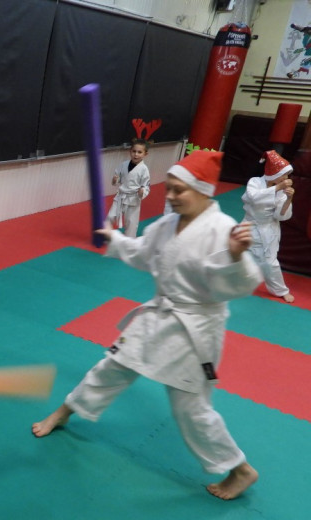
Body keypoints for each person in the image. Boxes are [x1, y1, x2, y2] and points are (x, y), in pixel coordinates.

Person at [32, 151, 264, 501]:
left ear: (203, 190)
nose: (170, 195)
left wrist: (234, 257)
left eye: (178, 190)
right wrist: (115, 240)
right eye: (168, 188)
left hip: (195, 329)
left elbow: (243, 285)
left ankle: (240, 469)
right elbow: (143, 251)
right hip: (159, 315)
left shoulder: (222, 229)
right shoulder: (168, 224)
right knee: (112, 366)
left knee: (190, 408)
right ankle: (64, 412)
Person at [241, 150, 295, 303]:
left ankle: (280, 290)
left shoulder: (282, 192)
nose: (286, 179)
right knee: (236, 254)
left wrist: (288, 199)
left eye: (287, 175)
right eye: (284, 175)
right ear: (274, 174)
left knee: (270, 262)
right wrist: (277, 188)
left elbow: (280, 216)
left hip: (268, 229)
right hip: (249, 225)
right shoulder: (255, 182)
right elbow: (252, 198)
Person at [106, 139, 151, 237]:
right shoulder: (124, 164)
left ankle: (130, 240)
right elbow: (117, 178)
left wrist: (142, 191)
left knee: (131, 222)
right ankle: (104, 235)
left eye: (139, 152)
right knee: (110, 216)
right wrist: (115, 180)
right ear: (130, 151)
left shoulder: (144, 169)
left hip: (133, 198)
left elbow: (146, 185)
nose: (136, 154)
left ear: (145, 154)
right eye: (134, 151)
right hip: (121, 196)